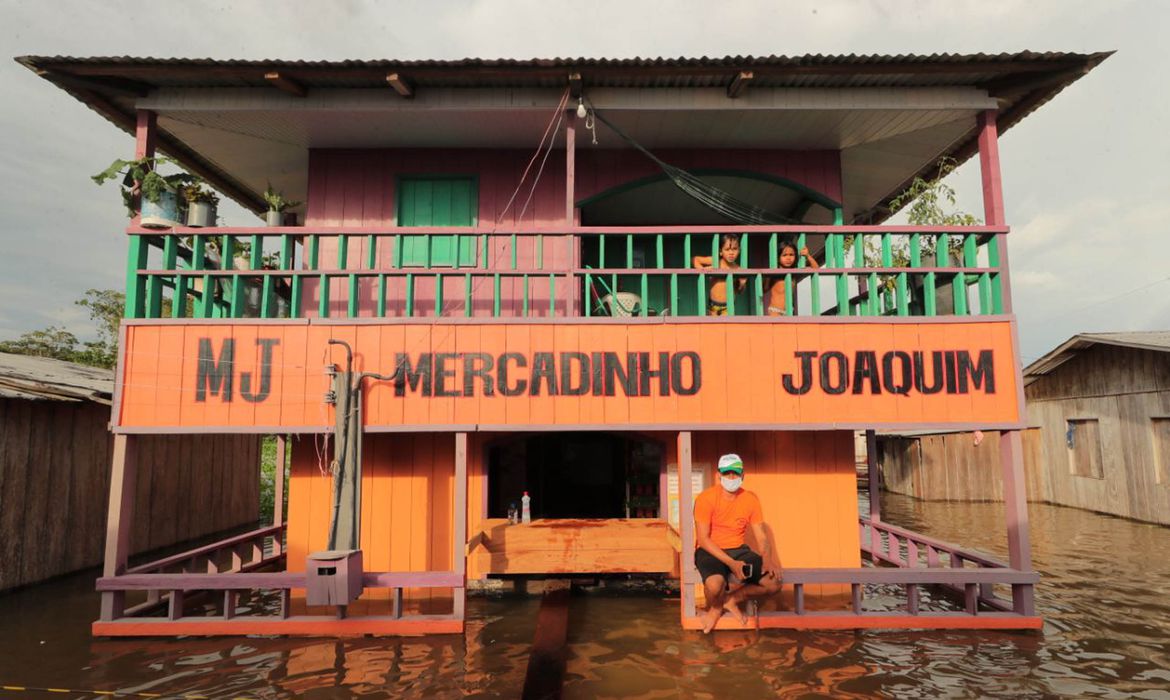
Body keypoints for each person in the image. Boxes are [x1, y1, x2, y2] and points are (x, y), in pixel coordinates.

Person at [694, 453, 782, 633]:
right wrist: (732, 563)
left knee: (774, 583)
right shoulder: (706, 498)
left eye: (735, 473)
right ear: (719, 475)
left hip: (739, 549)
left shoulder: (750, 499)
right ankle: (716, 608)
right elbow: (703, 539)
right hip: (710, 549)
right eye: (727, 473)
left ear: (743, 475)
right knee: (714, 584)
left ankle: (731, 600)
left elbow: (762, 537)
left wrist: (767, 559)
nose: (731, 478)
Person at [692, 234, 747, 316]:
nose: (731, 253)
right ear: (720, 251)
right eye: (727, 249)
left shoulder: (739, 270)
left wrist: (742, 284)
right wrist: (703, 270)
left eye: (734, 249)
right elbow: (694, 260)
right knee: (712, 328)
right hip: (712, 306)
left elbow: (739, 292)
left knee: (727, 328)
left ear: (739, 250)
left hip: (728, 307)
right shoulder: (716, 262)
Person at [766, 241, 819, 316]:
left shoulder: (794, 273)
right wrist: (768, 276)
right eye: (784, 255)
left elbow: (816, 269)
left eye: (791, 255)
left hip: (790, 313)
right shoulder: (774, 273)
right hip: (775, 312)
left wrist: (807, 256)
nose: (788, 258)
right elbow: (763, 289)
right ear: (778, 257)